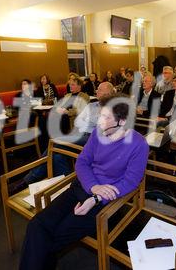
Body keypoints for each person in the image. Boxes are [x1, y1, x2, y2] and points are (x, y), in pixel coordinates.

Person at [19, 94, 149, 270]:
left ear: (123, 121)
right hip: (83, 187)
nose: (99, 121)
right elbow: (82, 162)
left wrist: (95, 198)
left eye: (105, 117)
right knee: (37, 225)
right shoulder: (98, 133)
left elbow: (132, 181)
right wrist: (93, 186)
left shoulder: (138, 144)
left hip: (105, 201)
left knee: (50, 238)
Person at [18, 82, 116, 187]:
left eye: (100, 90)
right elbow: (78, 121)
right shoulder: (91, 105)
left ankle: (29, 179)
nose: (97, 91)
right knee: (57, 156)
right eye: (97, 89)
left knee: (55, 142)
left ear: (109, 93)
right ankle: (68, 185)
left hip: (94, 139)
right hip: (80, 134)